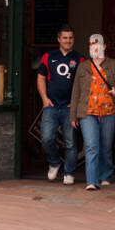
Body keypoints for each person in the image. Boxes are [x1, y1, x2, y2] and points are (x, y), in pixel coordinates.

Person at [68, 33, 115, 191]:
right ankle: (92, 180)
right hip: (87, 112)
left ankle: (105, 175)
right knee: (91, 146)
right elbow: (76, 91)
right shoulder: (83, 66)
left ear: (104, 47)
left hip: (109, 112)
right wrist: (73, 116)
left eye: (97, 44)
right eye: (91, 44)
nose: (94, 47)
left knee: (105, 146)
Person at [37, 24, 84, 184]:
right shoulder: (48, 56)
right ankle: (54, 163)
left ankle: (69, 173)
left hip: (69, 107)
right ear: (58, 39)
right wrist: (44, 98)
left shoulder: (80, 59)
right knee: (46, 138)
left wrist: (76, 103)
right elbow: (41, 78)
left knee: (70, 142)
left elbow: (85, 84)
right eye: (65, 38)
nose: (68, 41)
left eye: (70, 38)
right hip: (51, 105)